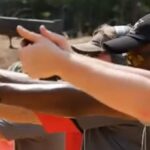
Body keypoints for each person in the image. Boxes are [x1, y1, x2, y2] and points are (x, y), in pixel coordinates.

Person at [16, 14, 150, 123]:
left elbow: (61, 106)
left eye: (137, 57)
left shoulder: (125, 100)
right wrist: (64, 59)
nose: (91, 60)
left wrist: (61, 62)